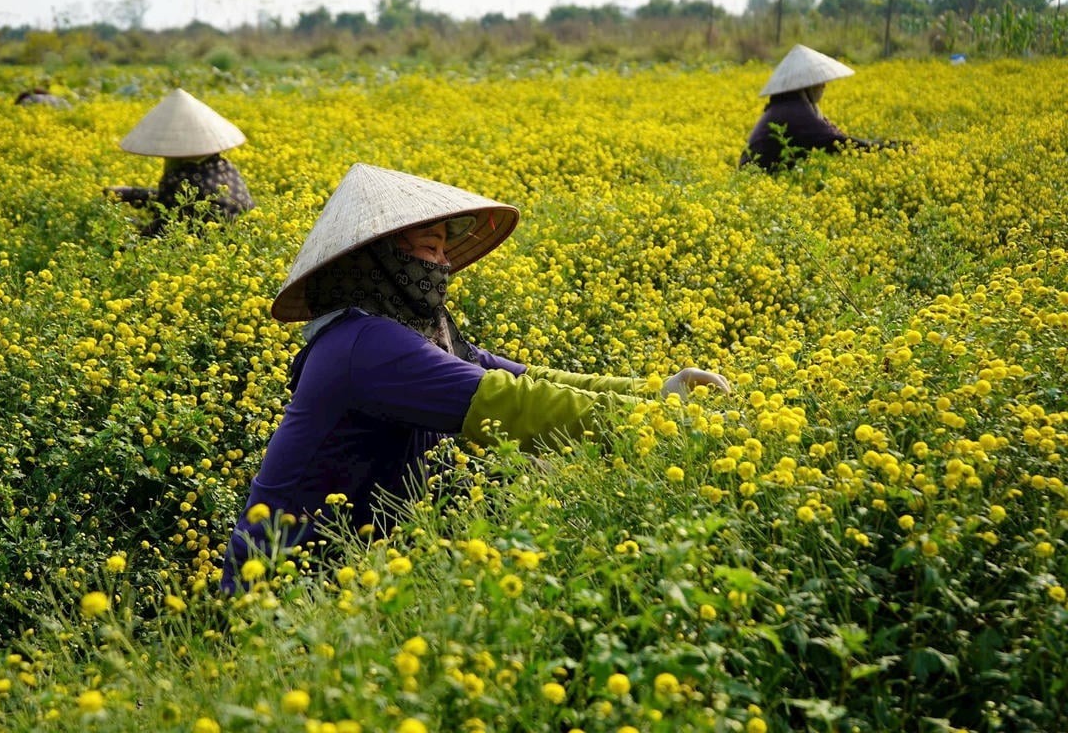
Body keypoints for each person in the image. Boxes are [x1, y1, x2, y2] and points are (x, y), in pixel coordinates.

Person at [220, 162, 730, 592]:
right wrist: (650, 420)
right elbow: (510, 403)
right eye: (429, 248)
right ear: (380, 261)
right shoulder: (367, 346)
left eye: (444, 250)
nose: (443, 264)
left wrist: (657, 392)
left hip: (352, 571)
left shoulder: (407, 331)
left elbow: (523, 376)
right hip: (281, 583)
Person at [105, 88, 255, 237]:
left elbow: (163, 221)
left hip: (205, 240)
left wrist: (130, 235)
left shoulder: (177, 178)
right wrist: (128, 194)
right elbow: (183, 198)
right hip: (246, 234)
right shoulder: (224, 166)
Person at [739, 44, 901, 173]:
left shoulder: (790, 105)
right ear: (805, 85)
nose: (824, 85)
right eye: (818, 81)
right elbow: (835, 141)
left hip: (766, 179)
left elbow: (833, 134)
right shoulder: (793, 111)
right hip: (756, 177)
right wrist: (887, 149)